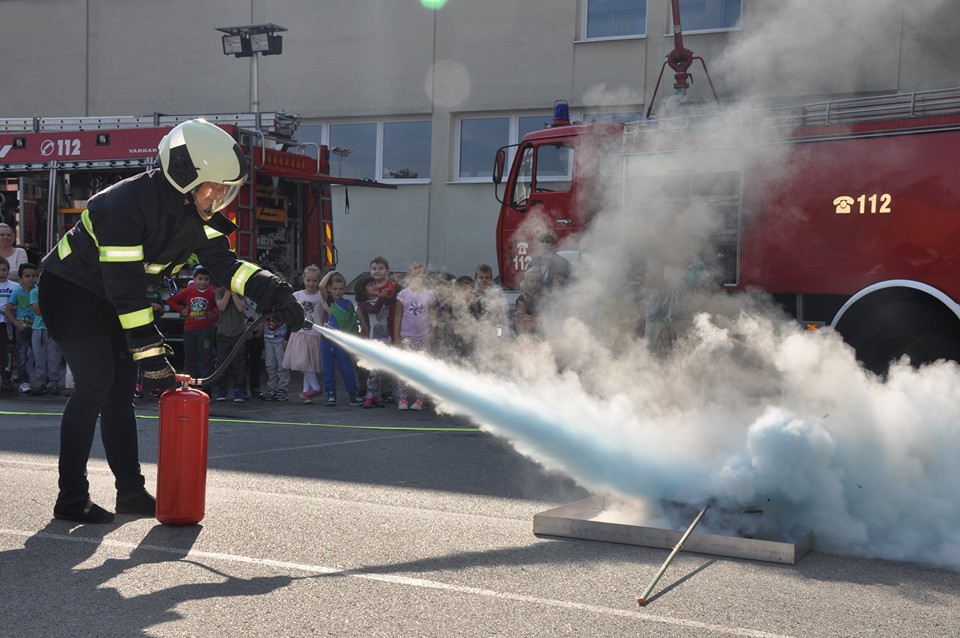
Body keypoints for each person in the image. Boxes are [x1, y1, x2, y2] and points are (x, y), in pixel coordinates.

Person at [37, 119, 304, 523]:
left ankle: (130, 492)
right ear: (184, 173)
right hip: (72, 293)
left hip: (113, 299)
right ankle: (71, 497)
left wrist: (274, 290)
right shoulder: (122, 205)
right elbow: (126, 289)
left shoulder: (198, 211)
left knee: (119, 395)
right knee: (95, 384)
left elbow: (225, 265)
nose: (219, 197)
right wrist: (151, 355)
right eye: (214, 187)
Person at [394, 263, 437, 410]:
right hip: (406, 336)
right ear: (409, 277)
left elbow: (433, 317)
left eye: (420, 275)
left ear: (424, 276)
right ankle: (402, 398)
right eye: (414, 275)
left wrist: (432, 332)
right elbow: (398, 316)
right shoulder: (403, 295)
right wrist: (397, 336)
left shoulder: (429, 295)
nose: (417, 278)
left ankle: (420, 399)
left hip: (423, 337)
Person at [165, 265, 217, 384]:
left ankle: (205, 386)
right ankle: (188, 385)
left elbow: (218, 308)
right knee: (189, 360)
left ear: (210, 281)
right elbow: (171, 300)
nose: (203, 282)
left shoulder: (212, 293)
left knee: (205, 359)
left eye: (206, 279)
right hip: (189, 330)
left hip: (205, 330)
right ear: (194, 279)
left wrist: (213, 315)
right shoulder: (189, 291)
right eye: (200, 278)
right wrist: (181, 310)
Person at [318, 270, 362, 407]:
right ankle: (331, 394)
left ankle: (353, 394)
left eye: (341, 289)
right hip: (326, 339)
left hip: (341, 341)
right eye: (335, 289)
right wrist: (331, 273)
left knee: (346, 368)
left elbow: (345, 321)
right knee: (328, 368)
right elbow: (321, 286)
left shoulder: (348, 304)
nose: (338, 292)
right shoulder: (328, 300)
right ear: (330, 289)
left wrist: (329, 311)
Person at [281, 265, 326, 403]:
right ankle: (316, 388)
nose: (311, 284)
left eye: (314, 281)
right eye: (308, 280)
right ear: (303, 280)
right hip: (300, 334)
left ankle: (306, 393)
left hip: (314, 335)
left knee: (309, 365)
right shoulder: (297, 295)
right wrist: (287, 335)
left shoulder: (321, 296)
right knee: (303, 362)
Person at [355, 275, 393, 408]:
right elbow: (374, 309)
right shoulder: (365, 305)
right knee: (373, 371)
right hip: (374, 341)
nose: (374, 286)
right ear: (364, 290)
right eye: (370, 285)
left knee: (380, 371)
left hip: (385, 339)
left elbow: (392, 300)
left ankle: (375, 395)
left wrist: (397, 286)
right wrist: (382, 297)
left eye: (374, 284)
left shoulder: (379, 299)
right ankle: (369, 396)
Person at [368, 256, 399, 403]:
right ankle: (369, 389)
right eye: (374, 268)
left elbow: (394, 300)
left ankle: (387, 391)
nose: (377, 271)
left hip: (390, 327)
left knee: (387, 361)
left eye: (380, 268)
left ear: (387, 271)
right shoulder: (368, 287)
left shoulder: (393, 286)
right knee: (370, 362)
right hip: (372, 331)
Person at [4, 263, 38, 393]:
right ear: (21, 278)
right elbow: (8, 310)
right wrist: (17, 324)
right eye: (27, 276)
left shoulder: (39, 291)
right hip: (22, 327)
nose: (31, 279)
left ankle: (43, 381)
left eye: (34, 276)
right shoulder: (17, 292)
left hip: (37, 327)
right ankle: (24, 381)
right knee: (22, 354)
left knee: (38, 355)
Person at [213, 284, 247, 402]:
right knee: (222, 363)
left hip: (239, 332)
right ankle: (222, 389)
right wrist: (227, 292)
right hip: (223, 332)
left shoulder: (240, 291)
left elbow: (240, 307)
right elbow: (221, 307)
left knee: (239, 363)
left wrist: (234, 293)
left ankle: (239, 389)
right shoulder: (219, 290)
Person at [30, 281, 63, 395]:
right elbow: (38, 310)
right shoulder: (34, 292)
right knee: (39, 356)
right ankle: (40, 382)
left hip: (53, 328)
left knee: (54, 356)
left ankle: (54, 382)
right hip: (38, 328)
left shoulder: (57, 292)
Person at [134, 280, 166, 398]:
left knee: (155, 358)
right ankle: (139, 385)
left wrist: (158, 308)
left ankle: (154, 385)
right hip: (143, 328)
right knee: (142, 358)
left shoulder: (157, 293)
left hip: (157, 328)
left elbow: (162, 311)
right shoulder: (140, 293)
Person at [0, 256, 19, 391]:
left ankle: (6, 378)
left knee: (7, 351)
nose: (1, 272)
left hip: (7, 324)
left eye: (4, 269)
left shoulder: (14, 286)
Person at [260, 314, 290, 402]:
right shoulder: (266, 304)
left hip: (281, 340)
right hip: (268, 339)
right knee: (270, 365)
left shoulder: (285, 303)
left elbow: (291, 321)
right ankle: (272, 388)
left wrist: (287, 338)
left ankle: (282, 389)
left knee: (282, 365)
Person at [514, 267, 543, 337]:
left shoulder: (543, 298)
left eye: (538, 281)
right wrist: (538, 320)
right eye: (531, 281)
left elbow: (547, 317)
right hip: (526, 334)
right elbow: (521, 317)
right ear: (526, 282)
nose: (535, 284)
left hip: (541, 333)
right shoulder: (523, 298)